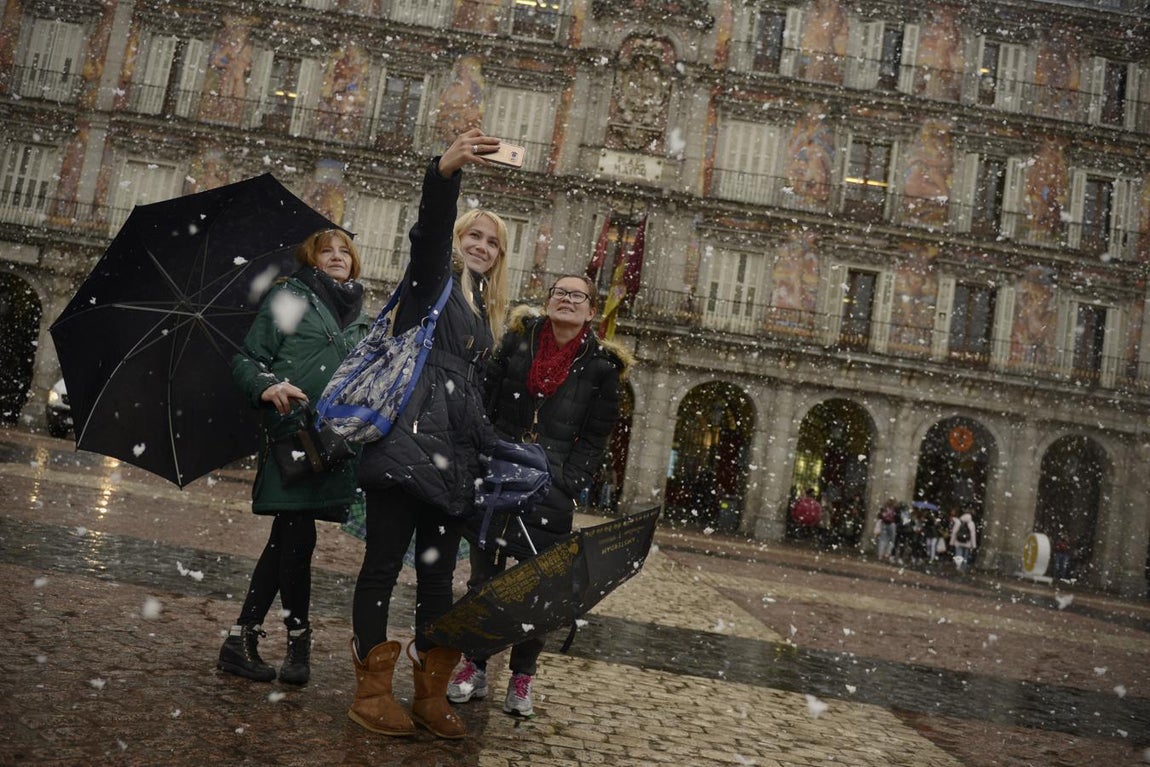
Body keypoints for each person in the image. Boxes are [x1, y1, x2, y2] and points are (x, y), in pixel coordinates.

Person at [348, 129, 510, 740]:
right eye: (473, 235)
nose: (482, 246)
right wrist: (443, 176)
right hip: (402, 451)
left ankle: (430, 694)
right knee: (383, 566)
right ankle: (370, 689)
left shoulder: (484, 320)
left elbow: (469, 401)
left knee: (440, 578)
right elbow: (425, 237)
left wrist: (497, 448)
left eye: (492, 242)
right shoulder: (432, 285)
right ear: (456, 240)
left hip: (450, 466)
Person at [447, 274, 631, 718]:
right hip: (499, 475)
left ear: (591, 310)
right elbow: (485, 400)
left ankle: (522, 676)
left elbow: (594, 439)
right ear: (548, 301)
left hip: (550, 487)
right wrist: (489, 448)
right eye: (560, 293)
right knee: (483, 580)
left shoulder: (603, 369)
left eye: (578, 296)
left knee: (539, 589)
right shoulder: (516, 343)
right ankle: (473, 664)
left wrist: (568, 480)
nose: (567, 300)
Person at [218, 228, 369, 685]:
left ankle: (242, 637)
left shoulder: (363, 318)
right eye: (328, 250)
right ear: (312, 258)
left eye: (346, 251)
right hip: (293, 436)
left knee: (287, 540)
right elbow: (247, 359)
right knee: (296, 536)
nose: (338, 256)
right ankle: (296, 642)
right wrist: (269, 385)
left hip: (334, 445)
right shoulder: (291, 297)